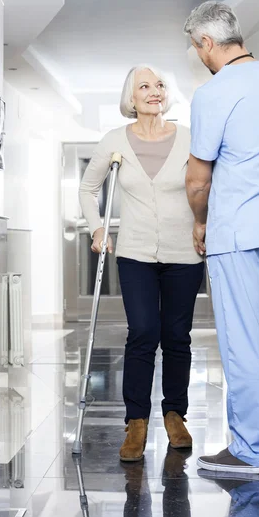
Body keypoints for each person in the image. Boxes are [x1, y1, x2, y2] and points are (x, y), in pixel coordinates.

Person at [184, 1, 259, 475]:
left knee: (244, 342)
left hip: (236, 228)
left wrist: (200, 220)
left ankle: (250, 450)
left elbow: (199, 178)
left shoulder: (215, 92)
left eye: (197, 48)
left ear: (207, 43)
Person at [79, 65, 204, 462]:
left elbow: (208, 183)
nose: (154, 92)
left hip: (184, 252)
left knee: (177, 335)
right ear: (131, 98)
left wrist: (205, 222)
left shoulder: (188, 138)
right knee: (143, 332)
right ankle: (136, 421)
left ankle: (174, 415)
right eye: (144, 86)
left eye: (160, 85)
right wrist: (98, 228)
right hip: (135, 253)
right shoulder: (115, 140)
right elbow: (88, 187)